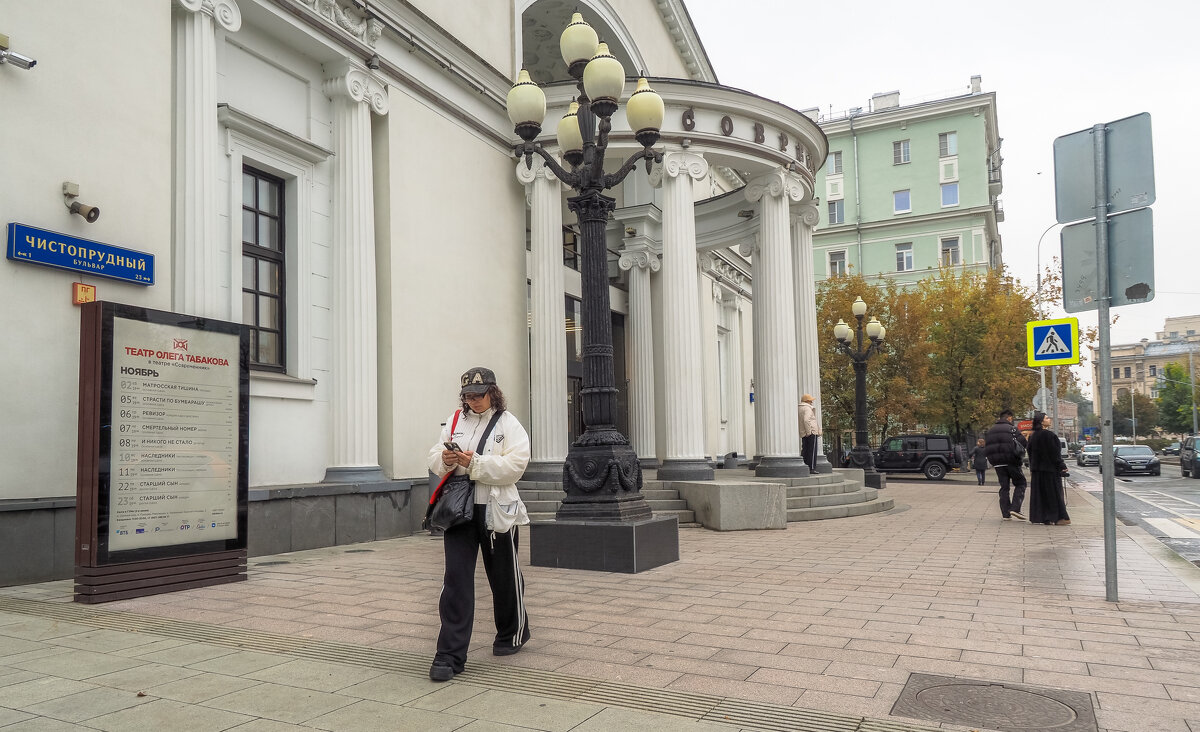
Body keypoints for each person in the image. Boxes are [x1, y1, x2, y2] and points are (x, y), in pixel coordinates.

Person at [426, 366, 531, 682]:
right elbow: (434, 453)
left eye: (480, 395)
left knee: (503, 577)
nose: (474, 401)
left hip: (497, 511)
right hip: (459, 512)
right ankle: (449, 655)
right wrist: (443, 460)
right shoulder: (455, 421)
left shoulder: (509, 424)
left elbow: (515, 466)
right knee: (455, 581)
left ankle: (512, 631)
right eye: (469, 396)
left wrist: (475, 464)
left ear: (493, 392)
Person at [1027, 411, 1071, 526]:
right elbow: (1054, 453)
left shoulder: (1033, 436)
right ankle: (1060, 517)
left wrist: (1032, 467)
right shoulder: (1049, 435)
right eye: (1047, 418)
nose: (1049, 419)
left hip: (1037, 470)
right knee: (1053, 494)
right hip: (1050, 470)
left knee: (1040, 494)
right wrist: (1062, 465)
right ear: (1042, 422)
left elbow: (1030, 453)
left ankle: (1043, 517)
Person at [984, 408, 1028, 521]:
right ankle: (1015, 508)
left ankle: (1006, 513)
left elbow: (987, 447)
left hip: (998, 464)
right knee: (1021, 483)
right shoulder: (1012, 429)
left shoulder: (990, 431)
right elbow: (1023, 443)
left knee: (1004, 487)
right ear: (1009, 417)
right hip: (1012, 461)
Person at [798, 393, 821, 472]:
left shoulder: (800, 408)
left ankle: (804, 466)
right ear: (807, 401)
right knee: (812, 451)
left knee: (805, 450)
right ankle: (811, 468)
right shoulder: (807, 408)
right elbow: (806, 420)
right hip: (811, 432)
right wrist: (809, 432)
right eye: (811, 401)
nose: (812, 402)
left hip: (804, 433)